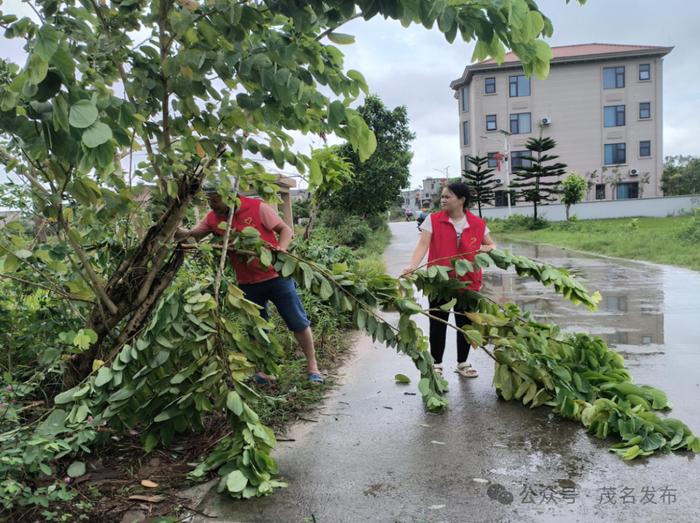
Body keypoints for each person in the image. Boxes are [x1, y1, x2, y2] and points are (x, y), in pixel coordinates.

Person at [175, 186, 324, 384]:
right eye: (209, 200)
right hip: (247, 283)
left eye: (215, 199)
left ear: (230, 196)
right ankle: (265, 370)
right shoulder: (212, 217)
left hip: (276, 277)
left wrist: (281, 249)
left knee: (297, 321)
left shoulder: (257, 207)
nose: (212, 204)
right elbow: (193, 236)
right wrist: (173, 228)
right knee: (256, 329)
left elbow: (285, 230)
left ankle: (313, 367)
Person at [401, 182, 495, 379]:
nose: (442, 200)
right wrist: (413, 265)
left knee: (465, 325)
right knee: (438, 324)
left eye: (447, 197)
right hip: (440, 283)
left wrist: (488, 248)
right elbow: (422, 245)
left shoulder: (477, 224)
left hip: (468, 284)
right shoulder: (433, 220)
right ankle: (437, 364)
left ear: (461, 200)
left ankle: (463, 363)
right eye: (442, 196)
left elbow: (491, 244)